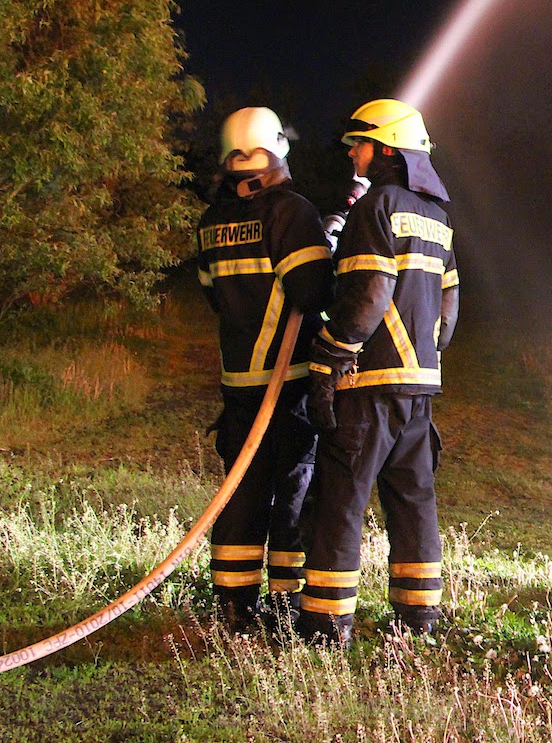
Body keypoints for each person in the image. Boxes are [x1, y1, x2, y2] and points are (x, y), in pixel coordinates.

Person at [297, 98, 459, 645]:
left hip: (368, 385)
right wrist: (425, 356)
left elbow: (369, 296)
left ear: (386, 148)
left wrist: (328, 358)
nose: (353, 156)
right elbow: (449, 305)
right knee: (414, 502)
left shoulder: (378, 208)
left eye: (359, 144)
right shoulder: (438, 218)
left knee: (342, 500)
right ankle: (418, 623)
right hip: (419, 388)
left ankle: (325, 623)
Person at [196, 107, 334, 633]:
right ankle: (284, 603)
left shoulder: (212, 221)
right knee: (294, 487)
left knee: (242, 492)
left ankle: (233, 606)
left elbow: (213, 295)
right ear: (275, 149)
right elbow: (313, 294)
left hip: (238, 383)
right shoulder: (291, 212)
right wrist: (326, 249)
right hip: (287, 382)